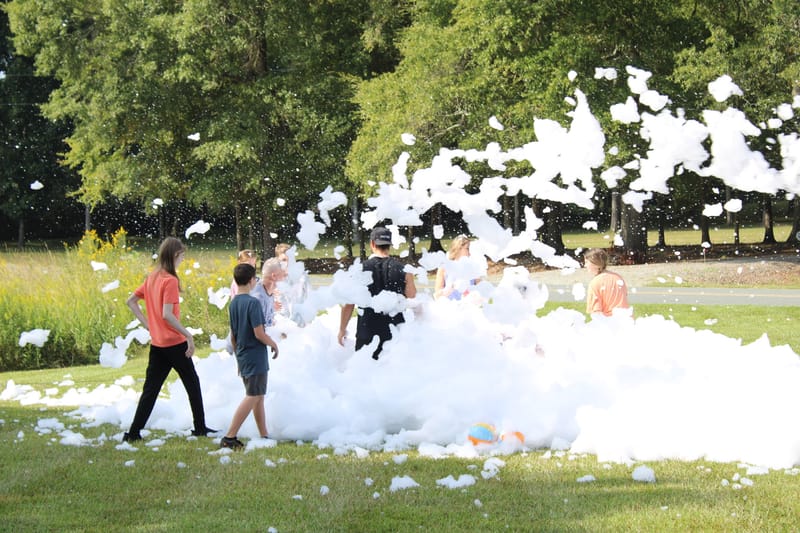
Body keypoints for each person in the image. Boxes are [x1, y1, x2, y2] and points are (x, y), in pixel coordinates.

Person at [123, 237, 215, 442]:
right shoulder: (170, 280)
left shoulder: (153, 276)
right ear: (175, 255)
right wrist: (188, 335)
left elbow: (131, 301)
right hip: (174, 343)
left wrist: (148, 324)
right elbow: (167, 314)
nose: (183, 259)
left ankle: (133, 432)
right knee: (192, 383)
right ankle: (200, 428)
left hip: (157, 345)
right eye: (182, 255)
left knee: (151, 390)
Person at [221, 263, 279, 449]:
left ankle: (264, 435)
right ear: (252, 280)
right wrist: (273, 343)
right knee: (252, 395)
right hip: (255, 355)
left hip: (244, 354)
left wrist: (238, 358)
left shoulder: (234, 303)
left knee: (258, 395)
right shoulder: (252, 303)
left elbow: (233, 335)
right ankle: (230, 436)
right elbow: (259, 333)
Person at [338, 226, 417, 360]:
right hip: (395, 333)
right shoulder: (404, 270)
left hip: (367, 333)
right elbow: (413, 298)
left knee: (364, 375)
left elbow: (349, 304)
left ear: (372, 244)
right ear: (389, 245)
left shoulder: (359, 270)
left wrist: (342, 330)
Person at [584, 248, 630, 317]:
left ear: (596, 263)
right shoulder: (618, 278)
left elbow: (596, 312)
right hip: (627, 320)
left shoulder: (594, 283)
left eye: (587, 262)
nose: (585, 265)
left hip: (609, 323)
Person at [434, 234, 479, 300]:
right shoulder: (444, 267)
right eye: (467, 248)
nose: (470, 252)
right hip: (451, 308)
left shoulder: (473, 268)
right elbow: (437, 296)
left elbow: (481, 291)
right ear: (458, 248)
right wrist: (451, 287)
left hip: (469, 308)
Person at [250, 258, 286, 328]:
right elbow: (255, 333)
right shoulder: (258, 298)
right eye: (284, 275)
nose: (286, 277)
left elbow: (269, 322)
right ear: (274, 276)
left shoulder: (269, 292)